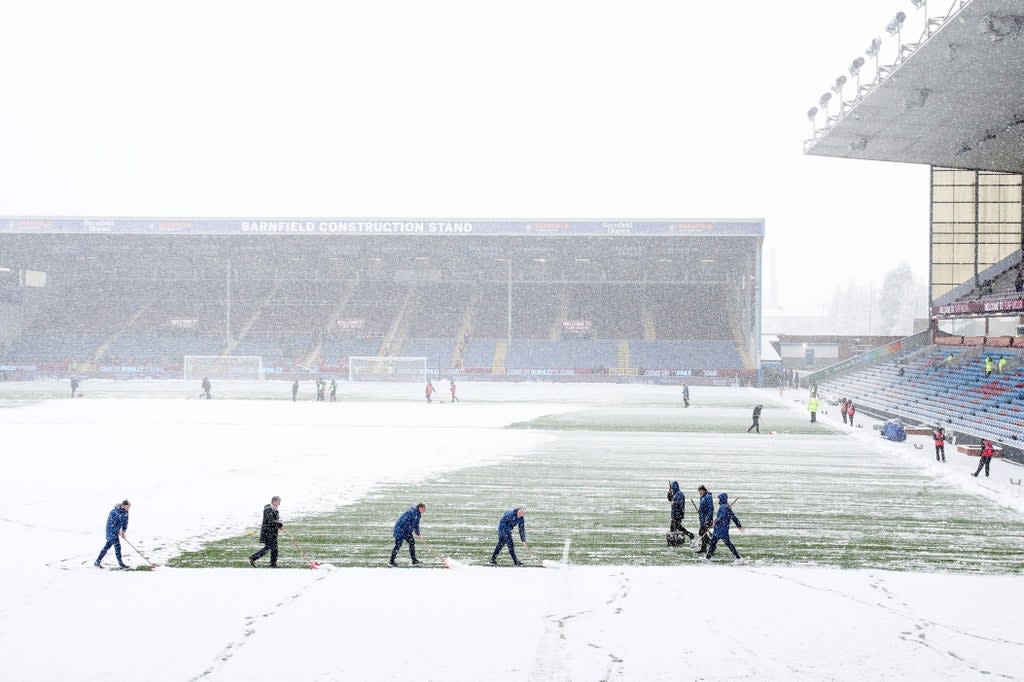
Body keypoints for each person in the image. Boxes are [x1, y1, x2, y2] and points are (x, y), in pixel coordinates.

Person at [705, 493, 743, 562]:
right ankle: (737, 557)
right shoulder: (726, 506)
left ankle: (708, 557)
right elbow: (733, 517)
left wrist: (716, 520)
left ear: (722, 499)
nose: (718, 500)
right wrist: (738, 525)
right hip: (723, 528)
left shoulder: (723, 507)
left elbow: (721, 516)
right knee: (719, 543)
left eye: (719, 499)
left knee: (716, 543)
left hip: (720, 529)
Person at [95, 500, 131, 569]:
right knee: (117, 547)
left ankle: (97, 561)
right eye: (128, 507)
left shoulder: (126, 512)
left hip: (116, 532)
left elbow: (125, 522)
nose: (128, 508)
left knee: (107, 547)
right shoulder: (114, 512)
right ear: (124, 505)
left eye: (129, 507)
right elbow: (110, 524)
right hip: (111, 532)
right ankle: (121, 564)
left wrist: (123, 531)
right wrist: (118, 531)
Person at [249, 496, 283, 567]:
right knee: (269, 547)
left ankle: (273, 563)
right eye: (278, 502)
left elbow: (275, 520)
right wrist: (277, 523)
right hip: (268, 532)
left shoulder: (275, 510)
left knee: (274, 548)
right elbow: (269, 520)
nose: (279, 504)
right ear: (274, 501)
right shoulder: (268, 509)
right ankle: (253, 557)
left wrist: (279, 525)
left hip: (273, 532)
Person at [696, 485, 714, 555]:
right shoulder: (702, 497)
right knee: (703, 533)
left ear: (703, 490)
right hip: (702, 518)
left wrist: (708, 518)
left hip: (706, 519)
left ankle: (712, 544)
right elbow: (703, 507)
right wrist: (700, 511)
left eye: (700, 491)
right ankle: (703, 549)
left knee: (702, 533)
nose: (699, 492)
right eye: (699, 491)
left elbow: (710, 509)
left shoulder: (708, 497)